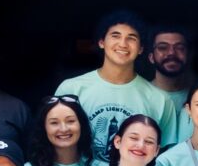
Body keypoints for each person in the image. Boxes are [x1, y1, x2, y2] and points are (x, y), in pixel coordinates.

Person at [56, 12, 175, 156]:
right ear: (101, 42)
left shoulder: (160, 100)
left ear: (141, 49)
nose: (123, 44)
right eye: (115, 36)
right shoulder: (72, 89)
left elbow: (164, 157)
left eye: (131, 38)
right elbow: (55, 143)